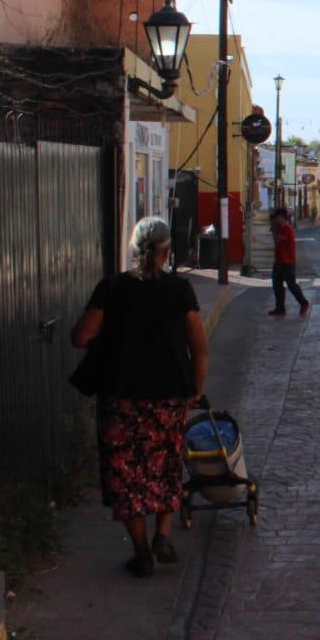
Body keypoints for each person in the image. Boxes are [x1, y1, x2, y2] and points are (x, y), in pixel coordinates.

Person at [70, 217, 207, 578]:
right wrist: (196, 389)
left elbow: (81, 337)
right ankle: (163, 534)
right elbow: (200, 347)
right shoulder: (180, 290)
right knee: (165, 465)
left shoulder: (112, 287)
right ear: (167, 252)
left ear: (133, 250)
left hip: (122, 398)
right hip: (169, 397)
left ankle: (142, 551)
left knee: (125, 476)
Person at [268, 207, 310, 317]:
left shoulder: (286, 229)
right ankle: (280, 308)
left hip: (287, 262)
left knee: (291, 285)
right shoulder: (280, 228)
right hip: (279, 261)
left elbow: (277, 241)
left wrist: (274, 229)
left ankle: (304, 303)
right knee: (277, 285)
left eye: (278, 218)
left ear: (282, 218)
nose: (276, 220)